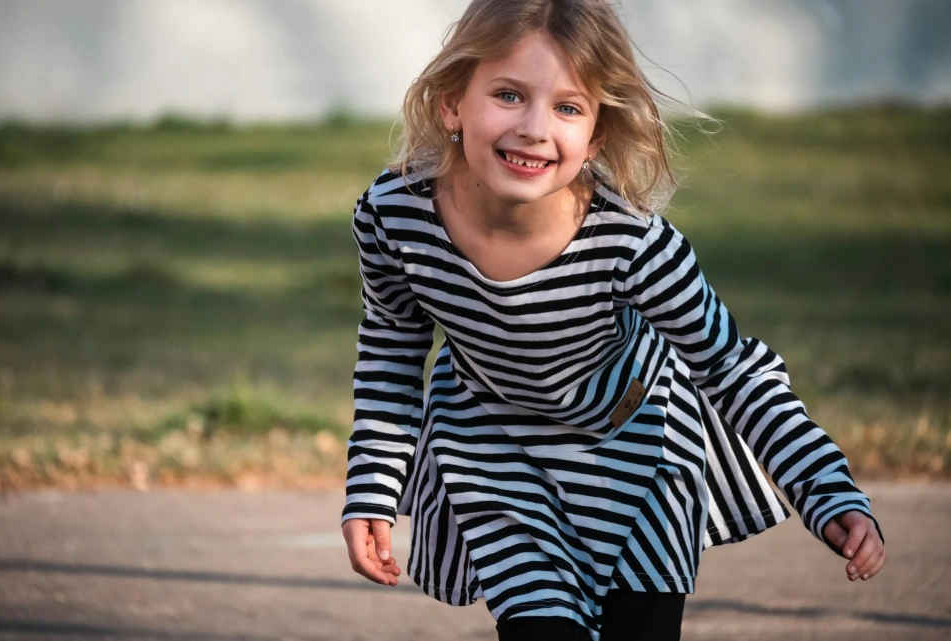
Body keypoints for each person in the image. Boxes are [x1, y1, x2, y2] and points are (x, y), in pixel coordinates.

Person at [340, 1, 886, 639]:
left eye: (568, 107)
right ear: (452, 103)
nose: (535, 128)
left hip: (638, 452)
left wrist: (826, 486)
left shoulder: (633, 244)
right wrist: (373, 488)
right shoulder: (394, 215)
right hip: (496, 458)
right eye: (510, 95)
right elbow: (391, 352)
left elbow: (730, 366)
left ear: (597, 134)